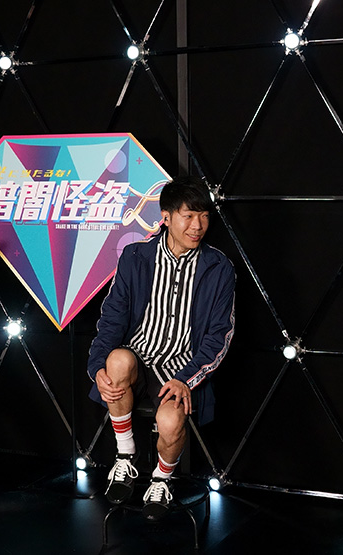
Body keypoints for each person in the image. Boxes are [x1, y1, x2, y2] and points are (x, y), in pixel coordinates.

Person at [87, 175, 235, 520]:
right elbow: (112, 318)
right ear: (166, 217)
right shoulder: (136, 256)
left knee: (169, 421)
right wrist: (97, 368)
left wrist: (187, 379)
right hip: (140, 358)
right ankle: (126, 454)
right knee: (116, 360)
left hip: (182, 370)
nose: (197, 226)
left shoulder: (218, 267)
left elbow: (220, 336)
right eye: (188, 216)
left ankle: (161, 480)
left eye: (204, 216)